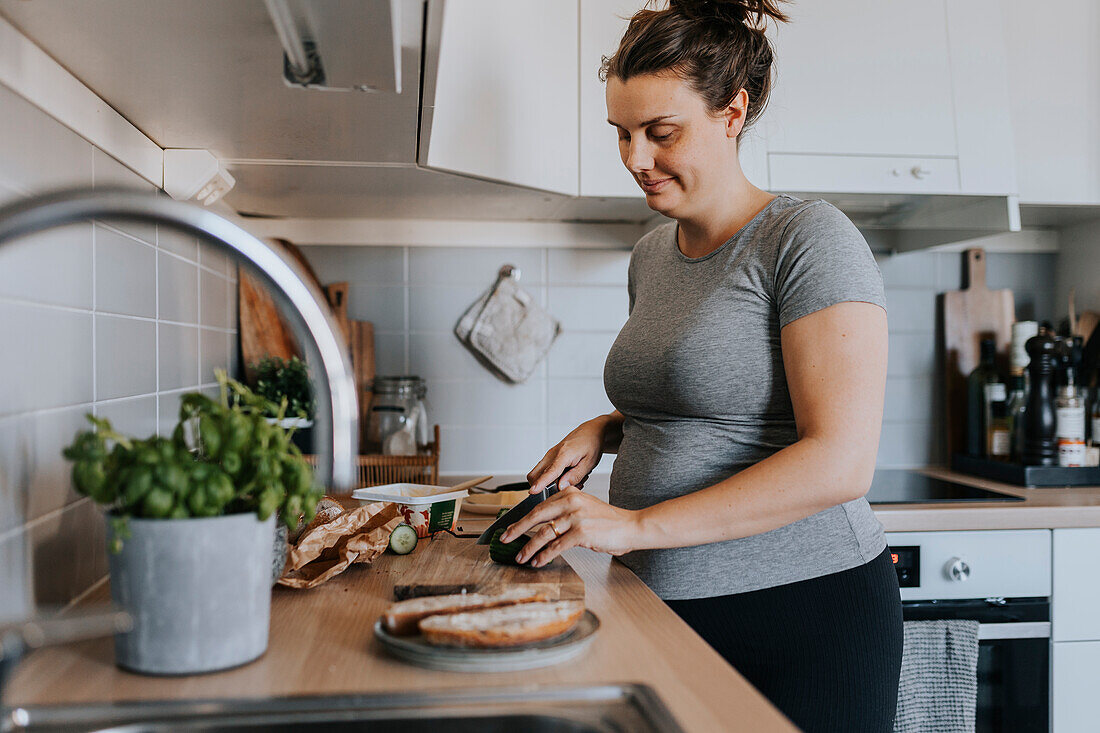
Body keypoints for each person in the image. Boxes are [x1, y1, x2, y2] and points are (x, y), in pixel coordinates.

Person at [498, 0, 902, 730]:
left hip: (800, 613)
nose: (635, 159)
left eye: (661, 132)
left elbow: (841, 461)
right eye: (622, 134)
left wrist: (633, 526)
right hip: (657, 603)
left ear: (732, 113)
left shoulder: (808, 239)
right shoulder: (651, 254)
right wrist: (610, 425)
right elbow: (712, 398)